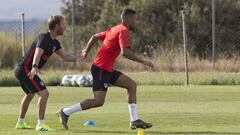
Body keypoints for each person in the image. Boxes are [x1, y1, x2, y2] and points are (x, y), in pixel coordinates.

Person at [57, 9, 153, 130]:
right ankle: (65, 112)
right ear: (127, 19)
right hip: (101, 68)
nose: (136, 22)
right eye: (135, 19)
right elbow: (126, 52)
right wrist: (144, 61)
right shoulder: (123, 30)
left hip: (106, 69)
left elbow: (94, 37)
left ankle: (134, 120)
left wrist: (86, 50)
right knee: (98, 101)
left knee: (131, 85)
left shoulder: (114, 29)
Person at [14, 15, 80, 131]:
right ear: (56, 26)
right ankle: (40, 124)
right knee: (44, 93)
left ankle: (20, 122)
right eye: (63, 24)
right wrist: (34, 67)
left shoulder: (55, 43)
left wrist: (77, 58)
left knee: (30, 94)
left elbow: (65, 56)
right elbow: (37, 53)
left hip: (23, 70)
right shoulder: (43, 38)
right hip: (25, 70)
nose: (65, 26)